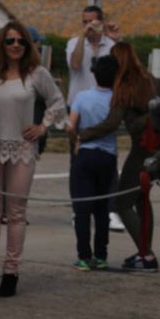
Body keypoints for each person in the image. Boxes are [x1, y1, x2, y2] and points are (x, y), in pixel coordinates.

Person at [0, 22, 66, 297]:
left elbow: (57, 101)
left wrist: (43, 127)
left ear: (28, 45)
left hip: (23, 150)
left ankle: (11, 272)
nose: (15, 45)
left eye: (20, 41)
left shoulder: (36, 74)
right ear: (1, 45)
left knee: (16, 213)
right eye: (9, 41)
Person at [76, 42, 160, 272]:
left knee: (122, 202)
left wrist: (83, 134)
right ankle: (146, 252)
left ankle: (146, 255)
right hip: (157, 147)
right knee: (142, 200)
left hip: (141, 149)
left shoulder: (125, 86)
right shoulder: (150, 79)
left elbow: (112, 122)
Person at [65, 5, 123, 231]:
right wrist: (84, 37)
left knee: (108, 158)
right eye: (84, 22)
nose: (88, 26)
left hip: (107, 106)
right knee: (78, 161)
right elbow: (76, 64)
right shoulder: (74, 43)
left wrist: (116, 40)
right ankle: (79, 209)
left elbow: (124, 68)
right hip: (79, 106)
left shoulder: (111, 45)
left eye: (92, 21)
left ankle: (110, 210)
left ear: (102, 21)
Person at [66, 55, 119, 271]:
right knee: (101, 209)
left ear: (94, 73)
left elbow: (71, 125)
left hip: (84, 155)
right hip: (108, 156)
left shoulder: (82, 97)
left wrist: (75, 141)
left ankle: (83, 256)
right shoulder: (117, 99)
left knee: (82, 209)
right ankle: (101, 255)